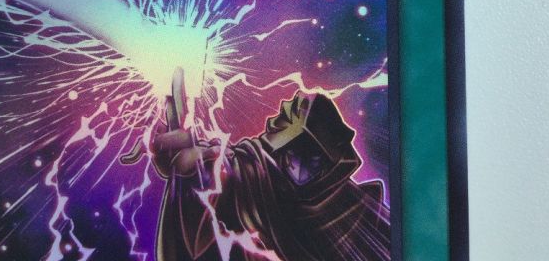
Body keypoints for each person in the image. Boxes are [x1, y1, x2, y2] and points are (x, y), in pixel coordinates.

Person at [151, 90, 391, 261]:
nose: (300, 168)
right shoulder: (253, 171)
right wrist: (189, 175)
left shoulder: (357, 218)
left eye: (311, 159)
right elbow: (223, 169)